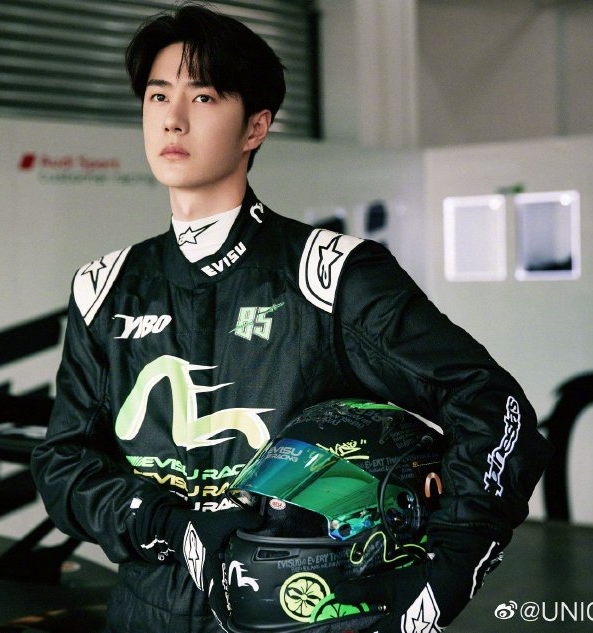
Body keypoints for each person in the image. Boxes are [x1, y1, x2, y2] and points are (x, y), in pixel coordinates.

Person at [30, 4, 551, 633]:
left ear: (255, 126)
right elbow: (63, 462)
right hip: (144, 614)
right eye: (158, 95)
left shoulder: (329, 275)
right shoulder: (104, 288)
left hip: (306, 611)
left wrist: (445, 572)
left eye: (203, 97)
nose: (172, 118)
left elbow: (491, 402)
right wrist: (165, 521)